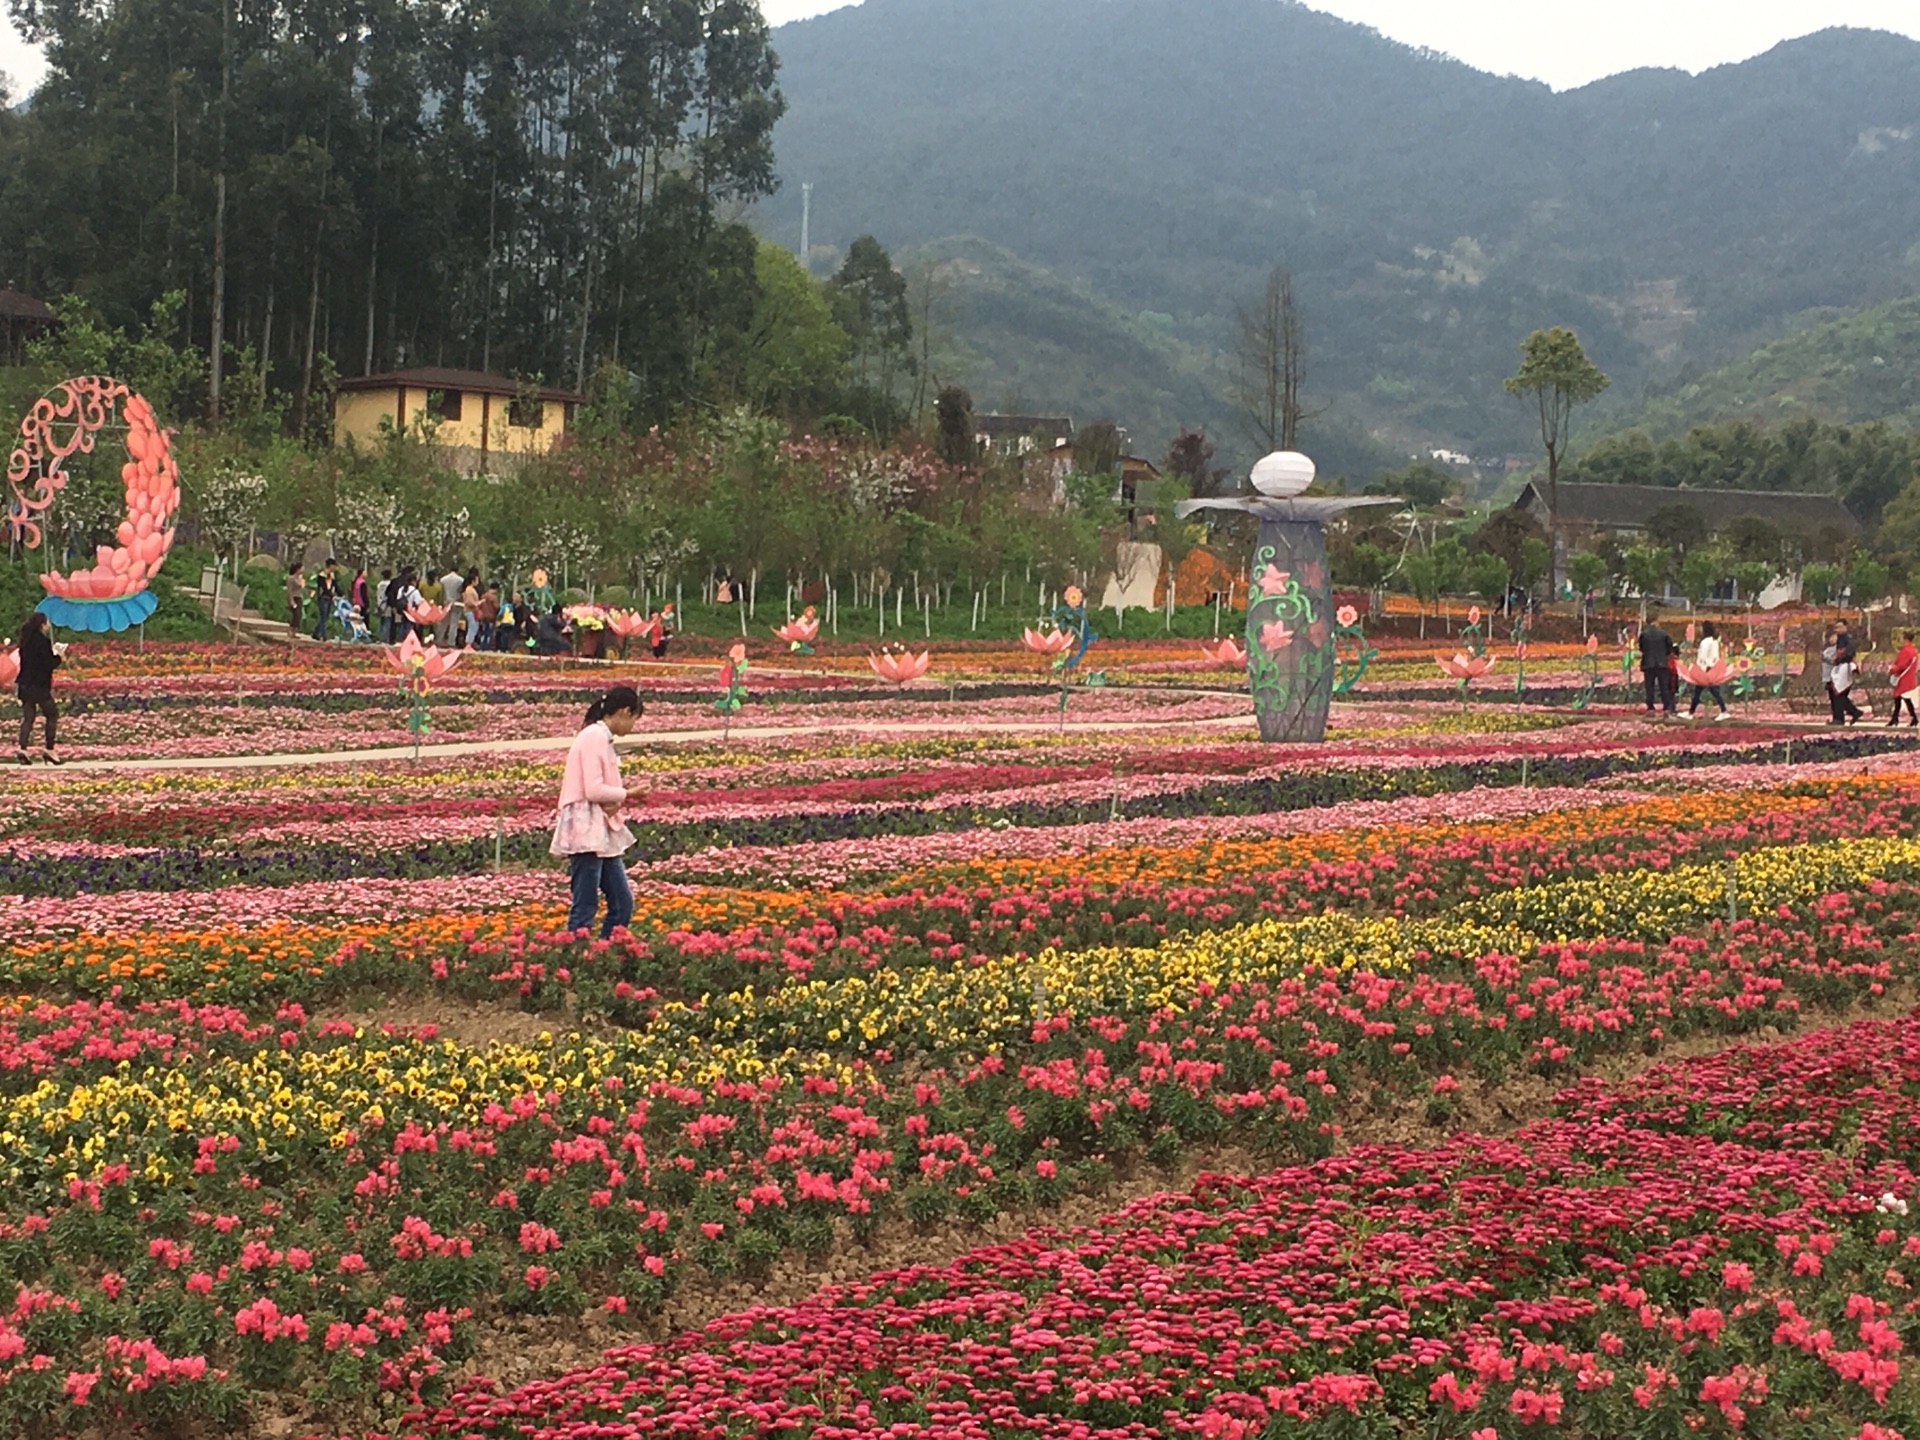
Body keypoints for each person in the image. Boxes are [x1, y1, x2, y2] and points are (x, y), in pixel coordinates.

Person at [551, 685, 650, 938]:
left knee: (621, 903)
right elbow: (593, 790)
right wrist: (630, 793)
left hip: (601, 828)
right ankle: (577, 960)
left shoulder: (599, 736)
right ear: (625, 712)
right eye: (634, 720)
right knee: (585, 905)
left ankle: (605, 953)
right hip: (586, 828)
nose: (633, 727)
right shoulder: (594, 736)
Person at [15, 612, 65, 765]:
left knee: (28, 718)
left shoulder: (25, 641)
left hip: (24, 684)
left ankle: (22, 749)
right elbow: (47, 664)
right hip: (39, 686)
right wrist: (59, 657)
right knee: (52, 715)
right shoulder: (43, 642)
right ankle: (49, 749)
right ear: (42, 624)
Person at [1682, 621, 1731, 722]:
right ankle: (1691, 712)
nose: (1699, 630)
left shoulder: (1705, 642)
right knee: (1702, 692)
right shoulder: (1714, 641)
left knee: (1710, 692)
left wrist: (1698, 669)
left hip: (1705, 670)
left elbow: (1702, 658)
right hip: (1712, 668)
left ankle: (1723, 711)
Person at [1637, 616, 1677, 716]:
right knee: (1664, 686)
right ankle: (1666, 707)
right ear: (1655, 622)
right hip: (1662, 663)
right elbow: (1669, 648)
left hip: (1648, 663)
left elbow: (1642, 648)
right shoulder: (1663, 633)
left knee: (1649, 686)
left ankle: (1650, 707)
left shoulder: (1644, 634)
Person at [1831, 621, 1864, 725]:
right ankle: (1852, 713)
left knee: (1839, 694)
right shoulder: (1839, 638)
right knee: (1837, 694)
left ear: (1846, 627)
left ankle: (1842, 717)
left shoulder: (1847, 638)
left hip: (1845, 667)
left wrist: (1839, 658)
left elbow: (1850, 652)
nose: (1838, 629)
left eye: (1840, 627)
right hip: (1840, 667)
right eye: (1836, 627)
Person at [1889, 630, 1918, 728]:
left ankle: (1896, 719)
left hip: (1903, 678)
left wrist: (1892, 669)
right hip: (1908, 677)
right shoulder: (1913, 650)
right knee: (1904, 698)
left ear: (1905, 638)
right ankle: (1900, 718)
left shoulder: (1906, 651)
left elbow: (1901, 665)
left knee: (1900, 698)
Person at [438, 565, 465, 647]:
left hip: (446, 603)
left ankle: (439, 640)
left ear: (449, 570)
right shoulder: (461, 580)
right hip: (456, 603)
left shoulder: (443, 579)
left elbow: (441, 592)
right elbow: (461, 592)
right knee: (454, 624)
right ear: (458, 571)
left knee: (443, 623)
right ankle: (451, 642)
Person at [312, 559, 339, 641]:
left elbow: (336, 586)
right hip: (323, 598)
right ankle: (323, 636)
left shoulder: (332, 576)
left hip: (328, 598)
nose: (334, 567)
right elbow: (323, 588)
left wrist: (341, 594)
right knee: (323, 616)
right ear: (330, 566)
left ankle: (315, 633)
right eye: (334, 566)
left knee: (325, 617)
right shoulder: (321, 576)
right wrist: (331, 595)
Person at [475, 585, 501, 651]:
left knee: (483, 632)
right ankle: (487, 647)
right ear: (495, 589)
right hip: (491, 617)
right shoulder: (494, 597)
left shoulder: (483, 596)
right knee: (489, 633)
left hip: (483, 617)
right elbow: (496, 607)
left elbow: (479, 606)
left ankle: (482, 646)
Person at [461, 571, 482, 649]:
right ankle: (468, 642)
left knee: (474, 626)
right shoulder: (469, 590)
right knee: (472, 626)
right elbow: (469, 602)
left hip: (472, 611)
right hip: (470, 610)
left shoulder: (470, 589)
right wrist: (478, 603)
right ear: (473, 581)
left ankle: (470, 642)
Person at [285, 562, 306, 639]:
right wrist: (291, 600)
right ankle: (290, 629)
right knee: (295, 615)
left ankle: (294, 632)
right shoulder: (291, 578)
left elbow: (302, 587)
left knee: (299, 615)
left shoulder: (300, 578)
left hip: (299, 597)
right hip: (294, 597)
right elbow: (289, 590)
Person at [377, 569, 397, 642]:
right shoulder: (390, 584)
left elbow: (378, 595)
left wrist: (379, 604)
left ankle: (379, 637)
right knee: (387, 622)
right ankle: (386, 639)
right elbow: (389, 595)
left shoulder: (379, 584)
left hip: (380, 604)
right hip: (387, 605)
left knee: (381, 622)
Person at [352, 566, 372, 634]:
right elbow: (364, 595)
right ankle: (364, 633)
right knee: (364, 619)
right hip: (362, 604)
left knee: (357, 620)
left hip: (356, 603)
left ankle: (358, 632)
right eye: (365, 572)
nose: (366, 574)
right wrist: (367, 605)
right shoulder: (362, 583)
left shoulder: (356, 581)